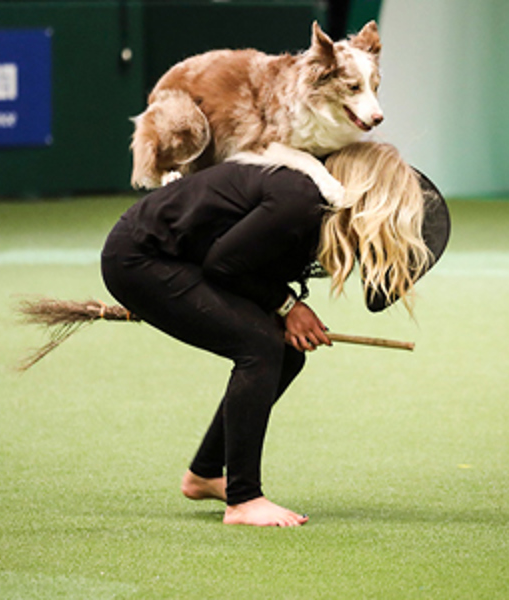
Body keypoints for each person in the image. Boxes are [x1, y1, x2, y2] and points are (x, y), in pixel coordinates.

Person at [101, 141, 449, 527]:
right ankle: (244, 499)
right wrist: (287, 307)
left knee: (285, 353)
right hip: (140, 259)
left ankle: (205, 473)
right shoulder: (299, 200)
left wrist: (283, 309)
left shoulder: (305, 202)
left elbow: (240, 260)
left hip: (182, 258)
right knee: (260, 347)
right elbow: (223, 265)